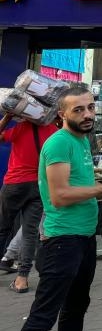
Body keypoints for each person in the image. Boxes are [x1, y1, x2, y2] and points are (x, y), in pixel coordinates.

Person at [13, 83, 102, 331]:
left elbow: (81, 183)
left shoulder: (82, 140)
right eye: (78, 109)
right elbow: (59, 196)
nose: (87, 114)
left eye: (91, 107)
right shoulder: (59, 142)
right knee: (43, 317)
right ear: (62, 114)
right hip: (62, 242)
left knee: (75, 310)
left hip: (83, 239)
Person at [0, 111, 58, 294]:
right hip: (39, 186)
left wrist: (7, 118)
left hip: (14, 184)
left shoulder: (20, 128)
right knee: (29, 232)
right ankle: (22, 279)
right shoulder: (53, 132)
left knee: (2, 228)